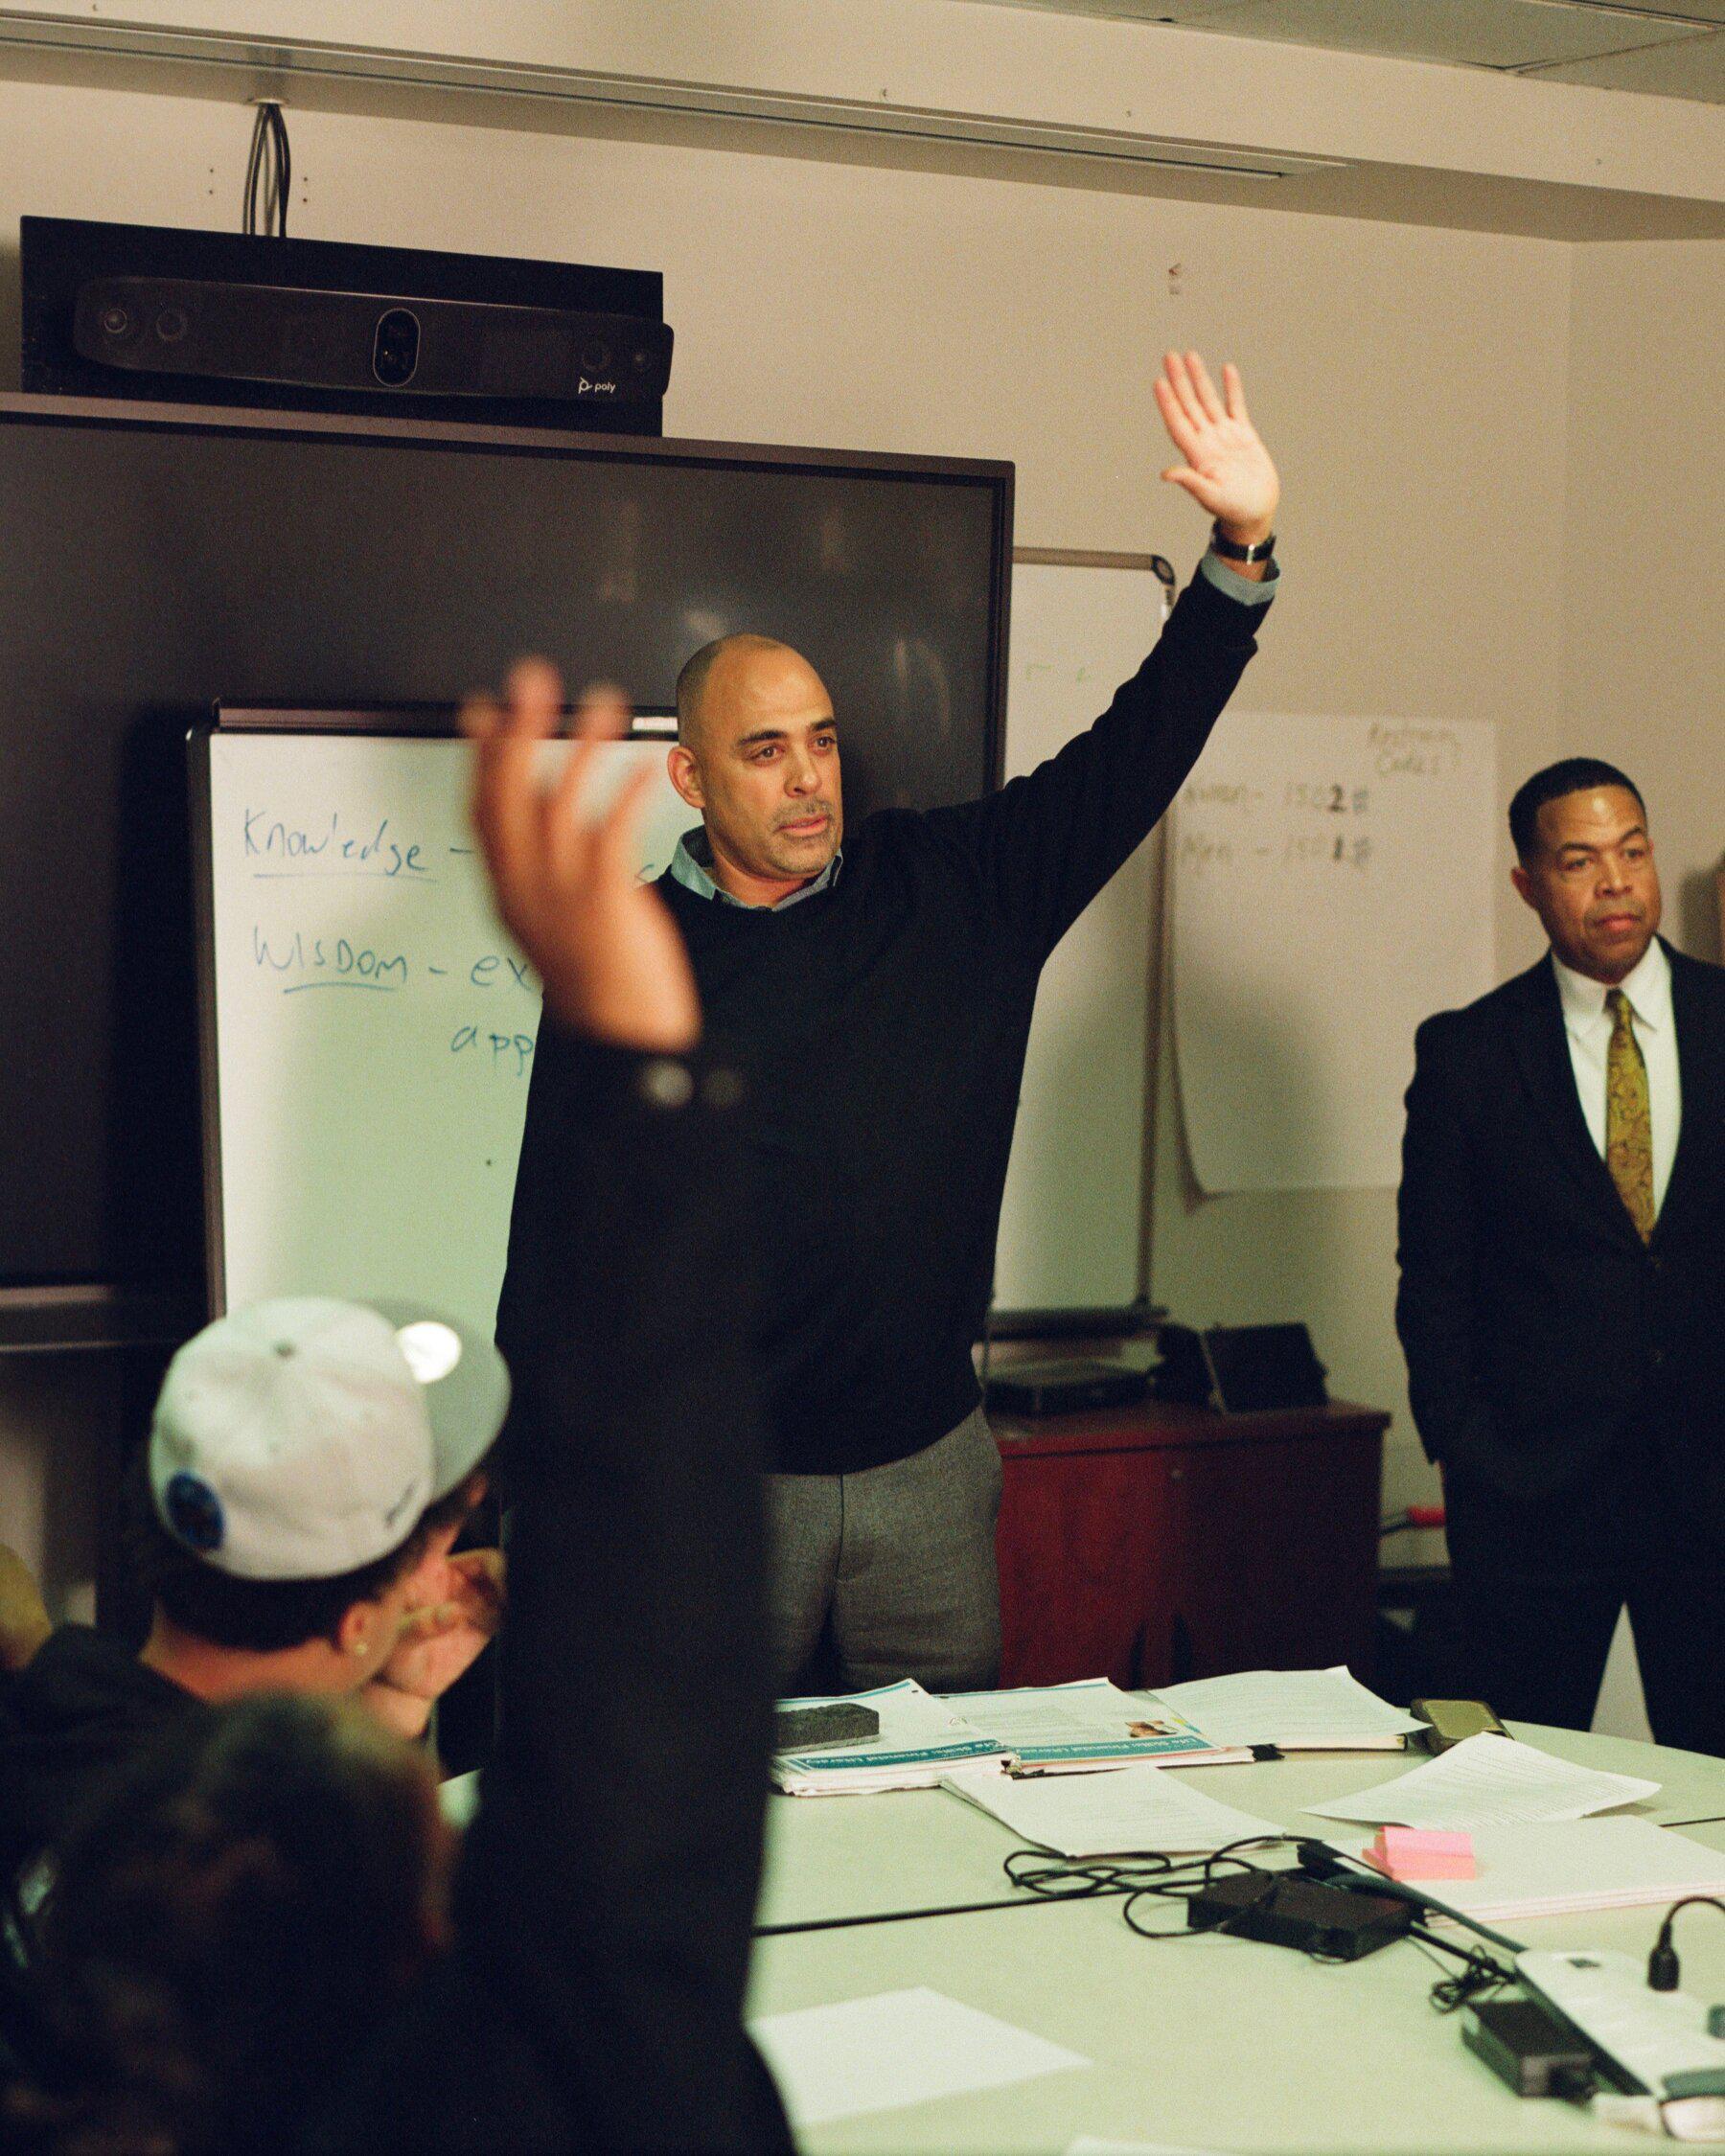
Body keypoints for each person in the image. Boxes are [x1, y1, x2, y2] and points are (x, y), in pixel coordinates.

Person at [7, 670, 790, 2154]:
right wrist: (638, 1053)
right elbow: (636, 1814)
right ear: (388, 1583)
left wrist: (401, 1707)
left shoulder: (81, 1814)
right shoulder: (487, 2063)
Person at [500, 350, 1281, 1694]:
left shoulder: (956, 889)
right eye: (765, 750)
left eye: (823, 739)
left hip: (927, 1473)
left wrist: (1240, 547)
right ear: (688, 772)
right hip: (710, 1493)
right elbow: (554, 1243)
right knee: (707, 1839)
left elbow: (1134, 749)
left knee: (949, 1822)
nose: (809, 780)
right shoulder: (624, 950)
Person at [1396, 759, 1725, 1751]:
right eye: (1579, 861)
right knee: (1522, 1777)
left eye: (1632, 851)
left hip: (1711, 1484)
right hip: (1534, 1489)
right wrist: (1467, 1445)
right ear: (1529, 885)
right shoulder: (1471, 1053)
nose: (1615, 882)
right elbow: (1435, 1277)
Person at [0, 1299, 505, 1914]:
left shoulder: (61, 1706)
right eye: (439, 1547)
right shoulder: (281, 1899)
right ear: (359, 1623)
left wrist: (390, 1706)